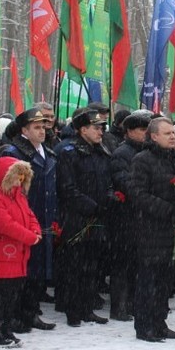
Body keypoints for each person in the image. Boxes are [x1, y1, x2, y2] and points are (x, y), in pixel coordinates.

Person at [0, 108, 58, 333]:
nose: (42, 131)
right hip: (23, 219)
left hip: (43, 218)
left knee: (38, 271)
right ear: (24, 130)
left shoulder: (47, 152)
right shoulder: (14, 153)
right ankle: (16, 314)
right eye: (36, 127)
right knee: (22, 271)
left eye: (44, 127)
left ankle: (31, 312)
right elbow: (10, 190)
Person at [128, 118, 175, 342]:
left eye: (173, 133)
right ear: (153, 136)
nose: (173, 136)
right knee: (148, 280)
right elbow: (138, 194)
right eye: (167, 133)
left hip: (171, 229)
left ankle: (160, 322)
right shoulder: (142, 160)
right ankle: (144, 326)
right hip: (150, 228)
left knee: (165, 280)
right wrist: (166, 209)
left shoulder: (174, 159)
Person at [56, 109, 115, 327]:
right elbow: (68, 188)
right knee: (74, 266)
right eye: (96, 128)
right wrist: (92, 207)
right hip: (76, 218)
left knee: (92, 266)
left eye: (102, 128)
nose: (101, 132)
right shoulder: (69, 152)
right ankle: (73, 310)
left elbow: (108, 181)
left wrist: (109, 199)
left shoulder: (101, 152)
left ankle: (87, 308)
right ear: (83, 130)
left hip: (98, 217)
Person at [0, 157, 41, 348]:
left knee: (11, 297)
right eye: (17, 175)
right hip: (1, 256)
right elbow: (6, 225)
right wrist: (30, 237)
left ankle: (5, 329)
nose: (20, 179)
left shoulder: (20, 197)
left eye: (22, 176)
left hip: (18, 256)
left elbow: (30, 216)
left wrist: (36, 231)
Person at [108, 113, 151, 321]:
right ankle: (119, 306)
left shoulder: (144, 152)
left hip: (139, 217)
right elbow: (124, 182)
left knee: (136, 264)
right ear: (130, 131)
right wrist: (144, 193)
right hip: (125, 217)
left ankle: (133, 303)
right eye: (142, 130)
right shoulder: (122, 153)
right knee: (122, 265)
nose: (146, 134)